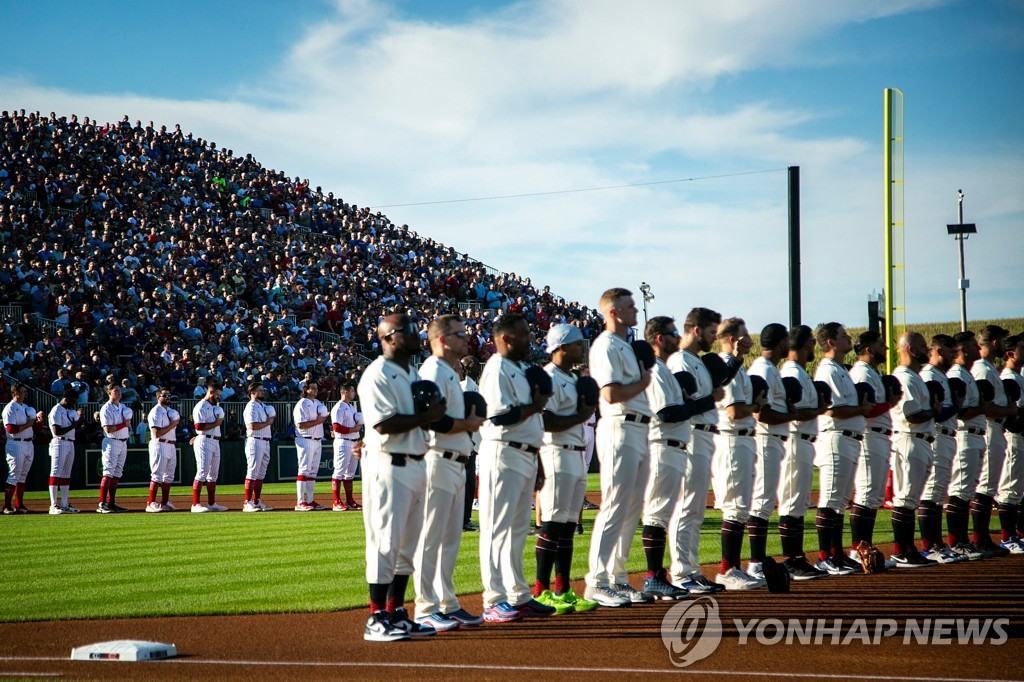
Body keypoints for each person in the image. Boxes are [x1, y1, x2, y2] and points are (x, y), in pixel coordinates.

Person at [358, 313, 445, 642]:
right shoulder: (377, 373)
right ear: (389, 337)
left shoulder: (411, 373)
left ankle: (396, 612)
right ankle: (375, 617)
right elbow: (383, 424)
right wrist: (427, 415)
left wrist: (432, 415)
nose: (415, 334)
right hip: (388, 464)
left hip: (416, 462)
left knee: (407, 546)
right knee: (385, 543)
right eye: (407, 330)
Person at [478, 313, 557, 621]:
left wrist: (537, 461)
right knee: (496, 529)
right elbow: (498, 417)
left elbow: (530, 421)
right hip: (503, 452)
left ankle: (518, 595)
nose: (530, 339)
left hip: (524, 453)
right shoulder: (497, 368)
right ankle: (493, 599)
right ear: (506, 339)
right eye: (524, 334)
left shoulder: (520, 369)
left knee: (517, 530)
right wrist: (535, 406)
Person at [414, 315, 487, 631]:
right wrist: (468, 425)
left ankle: (448, 603)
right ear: (442, 339)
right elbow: (429, 418)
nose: (466, 339)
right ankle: (425, 607)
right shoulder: (432, 369)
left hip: (457, 461)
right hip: (437, 459)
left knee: (449, 539)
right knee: (432, 538)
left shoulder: (449, 373)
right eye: (460, 334)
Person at [584, 289, 654, 607]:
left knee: (632, 508)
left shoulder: (625, 345)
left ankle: (619, 578)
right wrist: (644, 381)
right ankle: (597, 581)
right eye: (629, 306)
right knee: (614, 505)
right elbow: (610, 394)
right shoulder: (606, 345)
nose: (635, 310)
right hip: (619, 425)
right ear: (612, 312)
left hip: (639, 427)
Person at [533, 323, 600, 612]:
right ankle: (540, 591)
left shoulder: (572, 378)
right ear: (561, 346)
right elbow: (545, 421)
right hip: (556, 453)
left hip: (575, 453)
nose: (580, 349)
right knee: (551, 524)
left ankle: (563, 590)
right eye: (576, 345)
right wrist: (583, 414)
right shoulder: (550, 376)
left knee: (568, 526)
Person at [666, 307, 726, 594]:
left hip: (703, 436)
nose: (714, 338)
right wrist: (712, 398)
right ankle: (681, 572)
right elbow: (682, 403)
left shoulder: (696, 360)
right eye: (712, 332)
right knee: (686, 506)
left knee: (695, 508)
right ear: (695, 330)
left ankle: (691, 568)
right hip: (691, 435)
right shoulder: (680, 360)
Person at [637, 316, 691, 600]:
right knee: (656, 514)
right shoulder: (655, 370)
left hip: (672, 447)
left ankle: (656, 577)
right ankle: (653, 577)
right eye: (672, 333)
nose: (676, 337)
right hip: (661, 445)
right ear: (659, 338)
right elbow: (665, 413)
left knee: (660, 514)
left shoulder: (663, 369)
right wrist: (699, 403)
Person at [812, 322, 872, 575]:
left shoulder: (839, 369)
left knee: (839, 502)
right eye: (843, 335)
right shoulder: (827, 370)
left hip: (847, 438)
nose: (849, 338)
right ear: (831, 343)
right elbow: (830, 409)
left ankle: (836, 553)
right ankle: (825, 556)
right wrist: (861, 409)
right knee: (830, 499)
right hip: (835, 437)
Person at [710, 318, 766, 590]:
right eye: (744, 334)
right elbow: (733, 411)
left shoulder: (737, 366)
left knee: (741, 506)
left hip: (741, 439)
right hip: (731, 439)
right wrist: (757, 405)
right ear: (733, 338)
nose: (749, 338)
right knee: (735, 505)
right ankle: (727, 569)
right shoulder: (725, 367)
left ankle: (733, 566)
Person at [778, 325, 829, 579]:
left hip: (805, 441)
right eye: (812, 342)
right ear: (806, 344)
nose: (814, 347)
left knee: (799, 502)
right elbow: (796, 413)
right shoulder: (791, 372)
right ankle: (790, 560)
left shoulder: (800, 372)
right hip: (795, 440)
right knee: (791, 500)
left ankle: (797, 557)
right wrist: (819, 409)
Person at [746, 322, 796, 581]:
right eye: (786, 339)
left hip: (773, 440)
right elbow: (761, 412)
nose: (789, 343)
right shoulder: (763, 369)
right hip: (765, 439)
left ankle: (757, 561)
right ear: (780, 342)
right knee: (762, 502)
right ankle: (755, 563)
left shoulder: (770, 369)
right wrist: (790, 414)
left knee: (765, 502)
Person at [888, 332, 939, 567]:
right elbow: (913, 415)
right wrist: (936, 410)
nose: (926, 348)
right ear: (909, 349)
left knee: (910, 498)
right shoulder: (905, 378)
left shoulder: (913, 376)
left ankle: (907, 548)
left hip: (919, 440)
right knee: (906, 498)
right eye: (921, 344)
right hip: (909, 438)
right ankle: (902, 550)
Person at [847, 331, 895, 562]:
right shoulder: (861, 372)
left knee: (874, 496)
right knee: (866, 493)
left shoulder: (872, 372)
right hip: (868, 436)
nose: (885, 348)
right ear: (868, 349)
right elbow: (866, 407)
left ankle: (865, 546)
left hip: (880, 437)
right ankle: (858, 549)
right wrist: (890, 403)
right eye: (880, 345)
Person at [918, 335, 965, 562]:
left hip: (946, 436)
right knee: (932, 493)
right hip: (936, 436)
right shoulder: (928, 374)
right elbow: (934, 412)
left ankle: (936, 544)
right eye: (949, 350)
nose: (953, 354)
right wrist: (955, 406)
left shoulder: (940, 375)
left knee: (938, 494)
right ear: (937, 350)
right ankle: (929, 546)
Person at [971, 325, 1017, 555]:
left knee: (989, 486)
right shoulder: (982, 369)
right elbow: (986, 408)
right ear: (996, 342)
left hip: (994, 429)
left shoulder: (989, 368)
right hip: (989, 427)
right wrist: (1009, 411)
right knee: (986, 485)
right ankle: (979, 538)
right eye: (1003, 339)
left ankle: (982, 538)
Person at [997, 334, 1024, 552]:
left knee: (1019, 489)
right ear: (1010, 353)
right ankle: (1008, 537)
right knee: (1010, 488)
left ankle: (1018, 534)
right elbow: (1011, 417)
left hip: (1019, 436)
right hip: (1013, 437)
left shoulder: (1019, 376)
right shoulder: (1009, 378)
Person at [3, 383, 41, 514]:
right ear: (16, 393)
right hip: (16, 443)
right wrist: (28, 424)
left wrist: (38, 422)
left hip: (28, 443)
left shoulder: (25, 407)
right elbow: (11, 429)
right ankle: (7, 506)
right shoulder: (10, 408)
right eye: (23, 392)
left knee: (22, 476)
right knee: (14, 474)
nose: (26, 394)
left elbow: (34, 427)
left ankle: (19, 504)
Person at [191, 381, 228, 512]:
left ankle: (212, 503)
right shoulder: (201, 406)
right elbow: (199, 427)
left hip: (215, 440)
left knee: (213, 474)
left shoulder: (213, 407)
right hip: (205, 440)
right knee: (202, 472)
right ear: (210, 392)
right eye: (217, 394)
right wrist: (217, 423)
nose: (218, 397)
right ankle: (195, 504)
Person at [293, 380, 328, 511]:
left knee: (313, 472)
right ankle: (300, 502)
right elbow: (300, 424)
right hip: (305, 439)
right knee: (304, 470)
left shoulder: (317, 403)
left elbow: (323, 417)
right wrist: (318, 420)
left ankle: (310, 500)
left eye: (316, 388)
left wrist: (322, 418)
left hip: (317, 439)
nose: (315, 390)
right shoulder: (301, 404)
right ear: (306, 389)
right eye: (312, 388)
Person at [98, 383, 132, 513]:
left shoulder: (122, 407)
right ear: (109, 393)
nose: (118, 393)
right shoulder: (106, 408)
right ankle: (102, 504)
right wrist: (124, 424)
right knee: (108, 472)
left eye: (119, 391)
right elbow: (108, 429)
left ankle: (111, 503)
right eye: (115, 391)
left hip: (123, 441)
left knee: (117, 473)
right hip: (111, 442)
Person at [47, 388, 81, 514]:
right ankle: (53, 505)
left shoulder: (68, 410)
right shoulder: (56, 410)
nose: (73, 404)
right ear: (66, 399)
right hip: (59, 442)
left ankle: (65, 504)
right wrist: (74, 425)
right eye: (72, 401)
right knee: (56, 472)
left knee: (66, 474)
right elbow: (57, 431)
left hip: (70, 442)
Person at [145, 388, 180, 512]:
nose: (168, 397)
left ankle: (164, 502)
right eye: (165, 395)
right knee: (157, 475)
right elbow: (156, 433)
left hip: (170, 444)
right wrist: (173, 424)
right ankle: (151, 503)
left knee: (169, 476)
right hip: (160, 444)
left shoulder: (169, 411)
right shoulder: (156, 411)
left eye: (169, 395)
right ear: (158, 397)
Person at [330, 383, 363, 511]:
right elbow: (336, 427)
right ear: (345, 392)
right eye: (352, 391)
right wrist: (353, 429)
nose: (354, 393)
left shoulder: (351, 407)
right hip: (343, 441)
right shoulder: (338, 408)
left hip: (354, 441)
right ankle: (336, 501)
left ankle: (349, 500)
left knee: (350, 473)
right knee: (339, 471)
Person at [242, 382, 275, 512]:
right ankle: (247, 502)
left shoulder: (262, 406)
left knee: (261, 473)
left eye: (262, 390)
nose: (263, 392)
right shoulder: (251, 407)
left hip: (265, 441)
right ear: (253, 393)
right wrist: (268, 422)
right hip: (255, 440)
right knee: (253, 471)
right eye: (260, 390)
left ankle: (256, 501)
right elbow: (252, 426)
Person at [459, 355, 482, 531]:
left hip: (472, 441)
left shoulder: (472, 383)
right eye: (471, 363)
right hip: (467, 441)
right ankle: (463, 519)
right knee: (466, 482)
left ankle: (465, 517)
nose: (476, 365)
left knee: (469, 482)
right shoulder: (465, 386)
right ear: (464, 368)